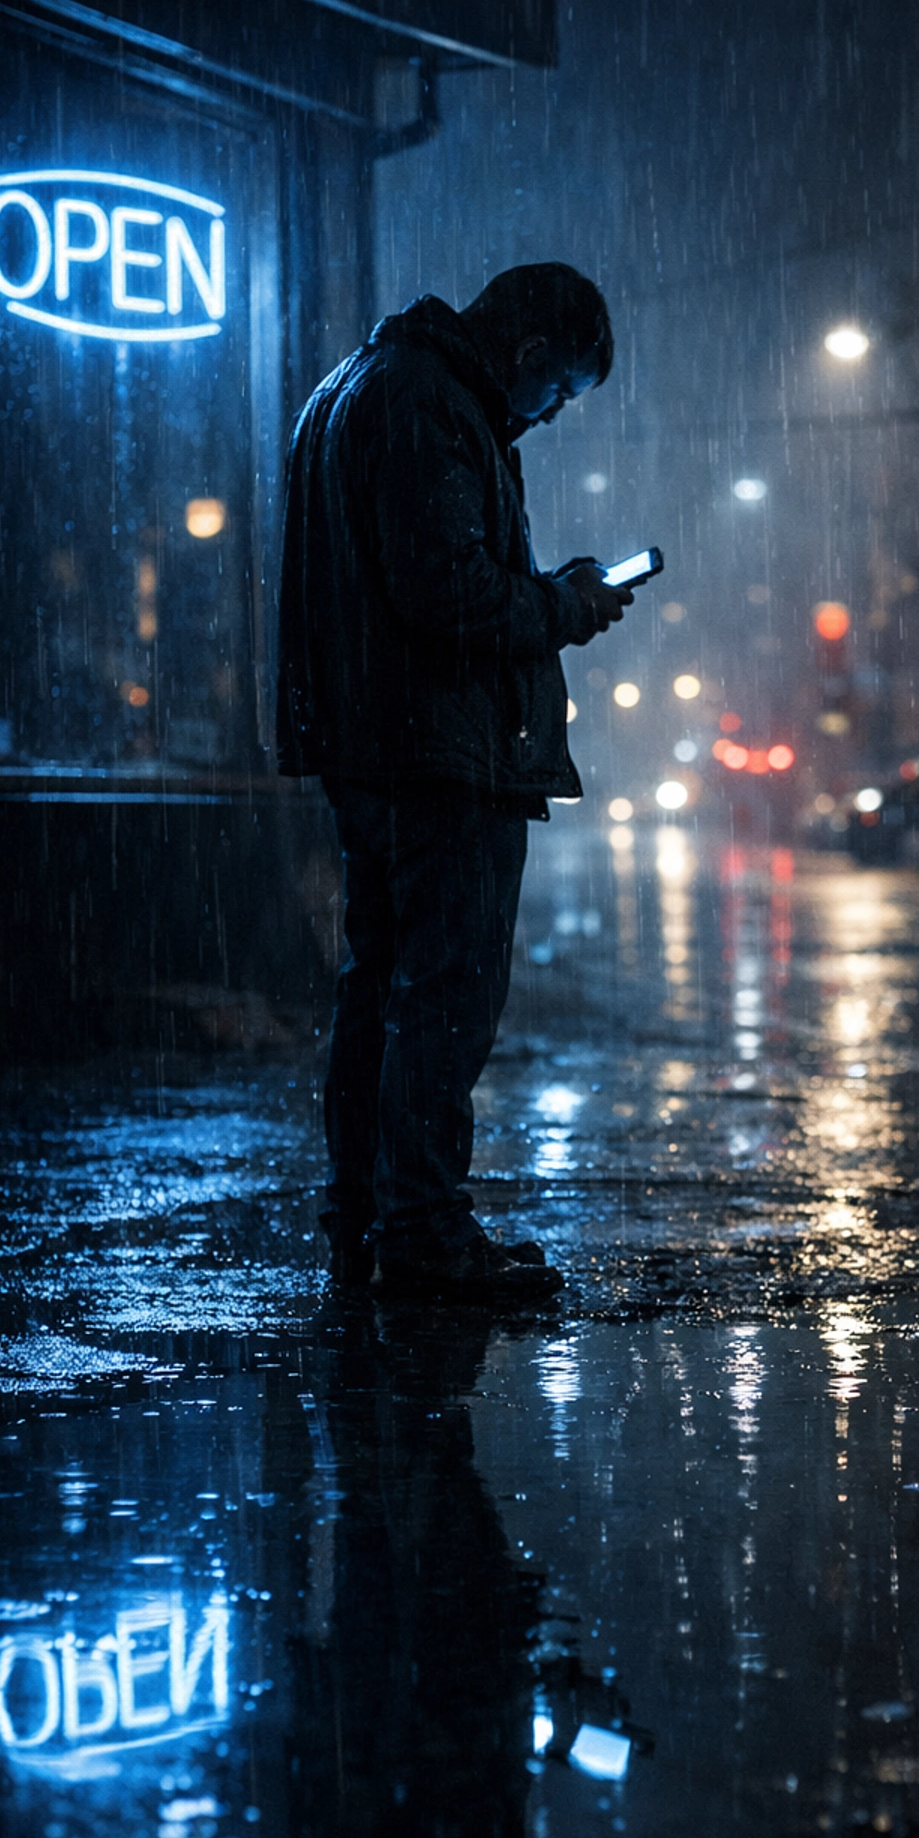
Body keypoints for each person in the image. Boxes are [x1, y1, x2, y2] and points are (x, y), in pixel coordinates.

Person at [277, 264, 634, 1301]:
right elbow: (447, 592)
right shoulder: (428, 402)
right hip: (439, 752)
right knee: (444, 997)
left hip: (375, 746)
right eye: (558, 391)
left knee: (382, 988)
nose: (551, 415)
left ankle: (370, 1215)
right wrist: (564, 606)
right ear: (528, 354)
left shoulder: (355, 386)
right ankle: (424, 1233)